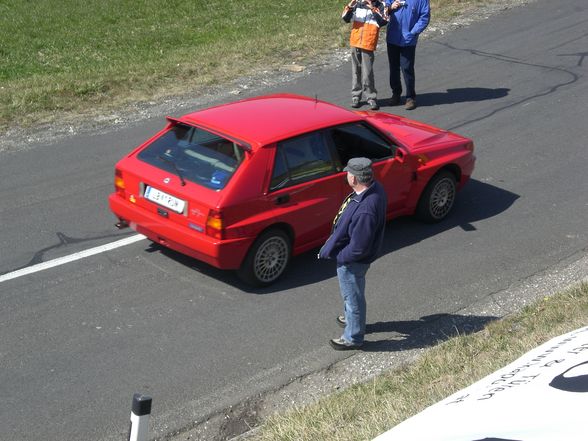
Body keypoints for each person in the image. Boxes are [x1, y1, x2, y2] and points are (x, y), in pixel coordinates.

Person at [318, 158, 387, 350]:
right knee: (353, 295)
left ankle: (353, 337)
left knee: (353, 298)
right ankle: (352, 319)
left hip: (352, 262)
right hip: (357, 260)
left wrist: (341, 256)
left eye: (348, 173)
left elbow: (358, 248)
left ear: (355, 179)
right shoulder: (375, 189)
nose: (346, 175)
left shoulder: (365, 209)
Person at [342, 0, 389, 111]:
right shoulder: (358, 4)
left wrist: (372, 8)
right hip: (355, 41)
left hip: (368, 42)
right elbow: (345, 18)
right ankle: (356, 96)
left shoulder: (381, 5)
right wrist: (350, 5)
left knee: (367, 73)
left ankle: (371, 97)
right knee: (355, 70)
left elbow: (383, 21)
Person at [385, 0, 430, 110]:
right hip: (393, 37)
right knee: (393, 67)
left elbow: (424, 17)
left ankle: (410, 97)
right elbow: (384, 8)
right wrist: (390, 7)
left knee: (407, 68)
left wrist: (413, 33)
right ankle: (396, 93)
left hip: (409, 40)